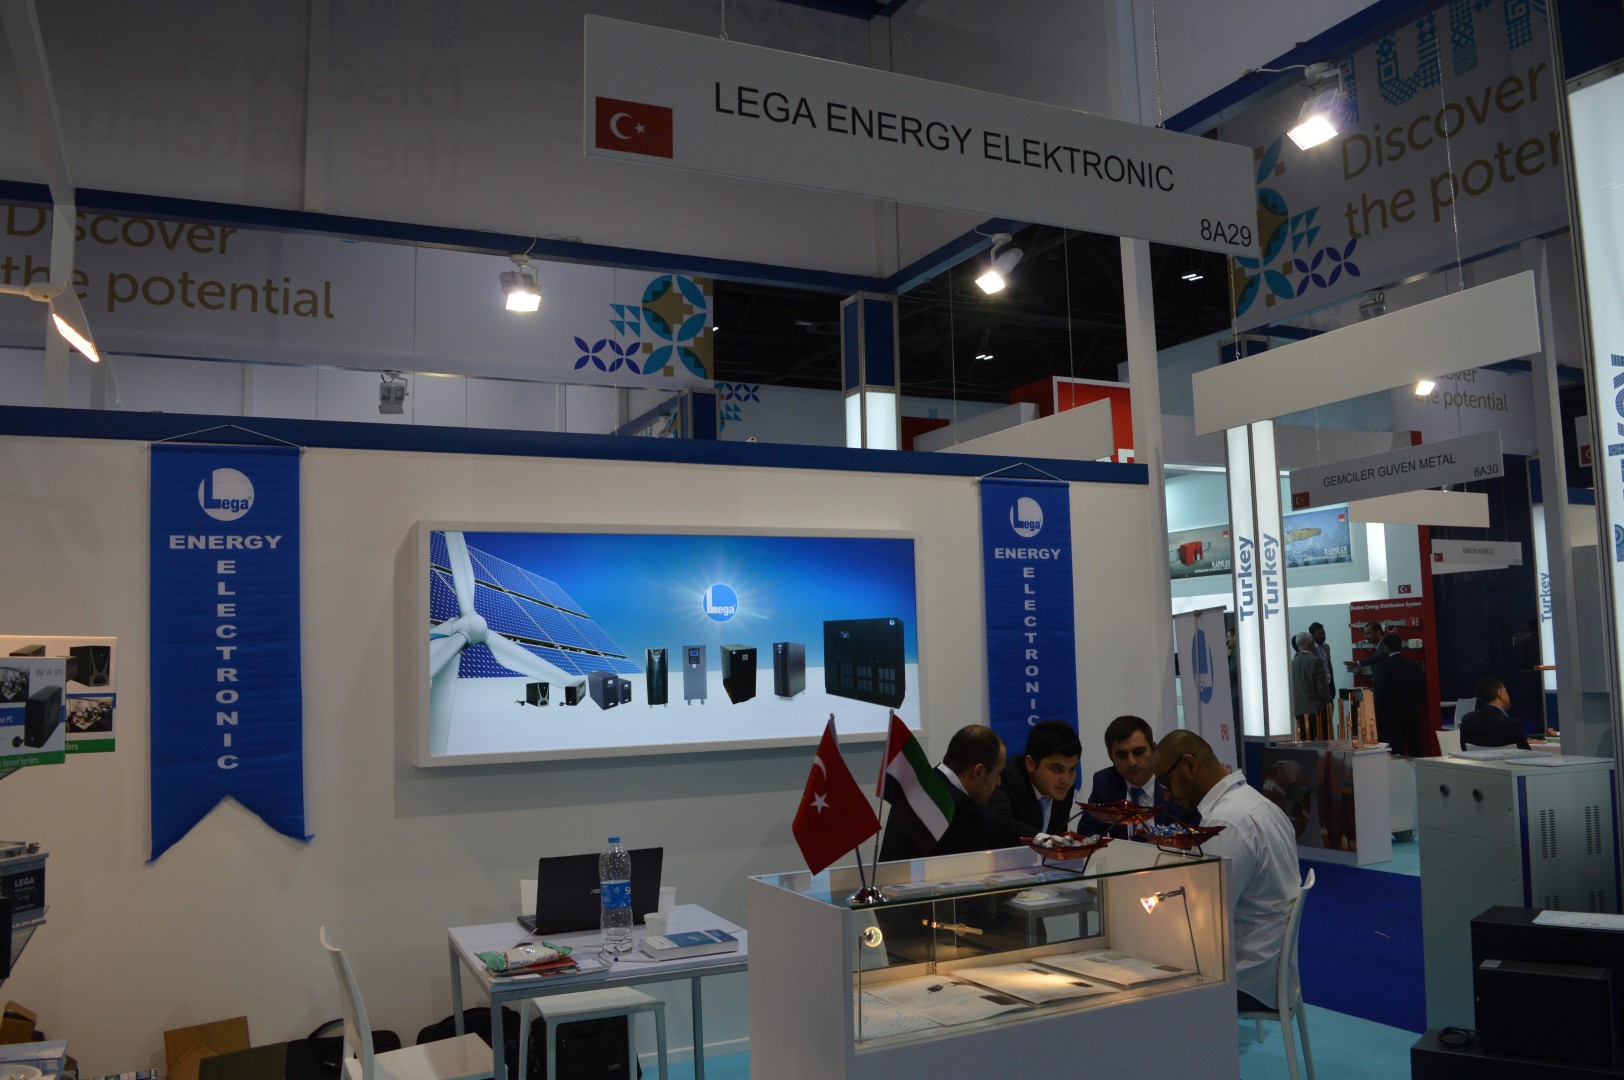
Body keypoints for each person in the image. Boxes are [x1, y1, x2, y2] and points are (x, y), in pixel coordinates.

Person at [1149, 729, 1300, 1013]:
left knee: (1143, 987)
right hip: (1271, 966)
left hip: (1246, 977)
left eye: (1166, 782)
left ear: (1190, 764)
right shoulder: (1256, 803)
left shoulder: (1225, 822)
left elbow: (1202, 918)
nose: (1166, 795)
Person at [878, 725, 1006, 861]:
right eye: (997, 774)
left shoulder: (922, 785)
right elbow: (979, 867)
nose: (999, 782)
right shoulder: (960, 809)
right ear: (978, 772)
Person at [1079, 715, 1197, 834]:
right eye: (1122, 756)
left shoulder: (1177, 780)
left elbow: (1195, 833)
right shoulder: (1105, 783)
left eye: (1139, 752)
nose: (1132, 762)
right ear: (1111, 757)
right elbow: (1087, 832)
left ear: (1153, 748)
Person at [985, 719, 1082, 846]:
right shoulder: (1009, 779)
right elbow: (998, 823)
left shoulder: (1062, 786)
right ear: (1030, 763)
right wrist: (1044, 840)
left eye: (1072, 769)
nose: (1066, 780)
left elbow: (1057, 838)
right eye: (1057, 769)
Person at [1371, 634, 1426, 757]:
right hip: (1410, 713)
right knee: (1414, 745)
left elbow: (1380, 694)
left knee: (1395, 750)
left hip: (1390, 715)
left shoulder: (1382, 667)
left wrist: (1378, 712)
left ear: (1386, 648)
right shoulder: (1412, 665)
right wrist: (1416, 707)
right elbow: (1420, 690)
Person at [1458, 676, 1529, 750]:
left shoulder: (1467, 720)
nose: (1508, 695)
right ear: (1500, 693)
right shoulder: (1510, 725)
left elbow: (1464, 750)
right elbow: (1527, 753)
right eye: (1506, 691)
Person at [1289, 631, 1333, 740]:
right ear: (1309, 644)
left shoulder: (1292, 663)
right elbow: (1322, 687)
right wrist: (1329, 701)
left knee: (1304, 741)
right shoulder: (1316, 661)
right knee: (1322, 741)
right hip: (1316, 709)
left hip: (1299, 709)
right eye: (1313, 642)